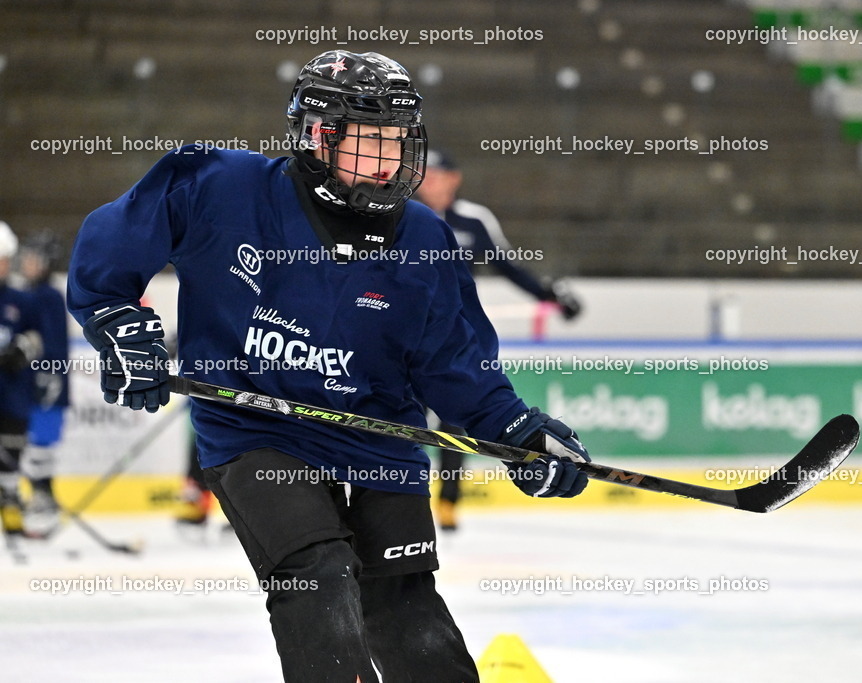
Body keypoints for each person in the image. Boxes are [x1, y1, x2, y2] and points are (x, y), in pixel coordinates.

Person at [67, 50, 590, 682]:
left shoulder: (423, 239)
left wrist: (517, 432)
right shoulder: (222, 188)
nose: (386, 161)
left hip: (379, 436)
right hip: (258, 429)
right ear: (316, 138)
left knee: (404, 608)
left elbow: (453, 364)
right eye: (368, 142)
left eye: (395, 142)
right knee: (317, 573)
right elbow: (113, 244)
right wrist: (119, 322)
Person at [416, 149, 583, 531]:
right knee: (401, 422)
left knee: (453, 425)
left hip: (452, 338)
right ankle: (389, 500)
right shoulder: (401, 212)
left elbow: (507, 266)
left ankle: (448, 502)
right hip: (403, 335)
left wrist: (551, 296)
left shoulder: (474, 220)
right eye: (426, 174)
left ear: (454, 179)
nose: (430, 181)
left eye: (438, 175)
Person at [16, 231, 70, 537]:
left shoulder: (46, 296)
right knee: (34, 451)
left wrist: (49, 377)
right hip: (33, 387)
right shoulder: (31, 294)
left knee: (41, 451)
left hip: (47, 389)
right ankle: (40, 505)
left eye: (32, 259)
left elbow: (51, 347)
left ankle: (43, 510)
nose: (26, 263)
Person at [0, 221, 43, 537]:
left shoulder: (20, 299)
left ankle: (11, 509)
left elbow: (39, 338)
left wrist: (22, 348)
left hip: (13, 393)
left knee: (11, 457)